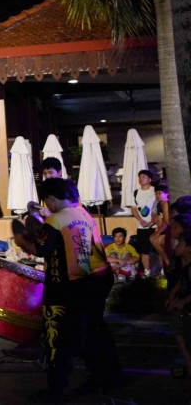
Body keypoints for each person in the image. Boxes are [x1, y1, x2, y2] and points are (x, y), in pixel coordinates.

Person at [12, 178, 122, 402]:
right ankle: (102, 377)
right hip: (86, 283)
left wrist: (21, 240)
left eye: (47, 201)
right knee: (90, 332)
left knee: (56, 339)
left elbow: (41, 249)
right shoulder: (83, 214)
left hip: (62, 287)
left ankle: (56, 390)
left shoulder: (55, 220)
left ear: (51, 200)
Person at [164, 220, 191, 378]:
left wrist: (181, 302)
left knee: (185, 339)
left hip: (186, 310)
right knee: (182, 339)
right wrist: (172, 296)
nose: (176, 246)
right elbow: (180, 283)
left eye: (180, 244)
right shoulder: (185, 266)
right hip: (181, 308)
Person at [133, 168, 160, 276]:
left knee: (159, 248)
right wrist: (141, 220)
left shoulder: (155, 191)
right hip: (142, 226)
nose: (141, 179)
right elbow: (133, 208)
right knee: (144, 250)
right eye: (139, 177)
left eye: (144, 177)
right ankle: (147, 271)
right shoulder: (136, 192)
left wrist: (153, 222)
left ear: (150, 179)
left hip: (156, 225)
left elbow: (159, 207)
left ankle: (163, 270)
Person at [150, 178, 172, 271]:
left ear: (166, 194)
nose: (157, 195)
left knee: (154, 239)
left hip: (169, 229)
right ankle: (165, 267)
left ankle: (168, 262)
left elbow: (166, 221)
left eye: (160, 193)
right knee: (156, 242)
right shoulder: (159, 204)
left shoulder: (166, 203)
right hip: (164, 228)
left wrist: (158, 233)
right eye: (156, 193)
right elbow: (158, 219)